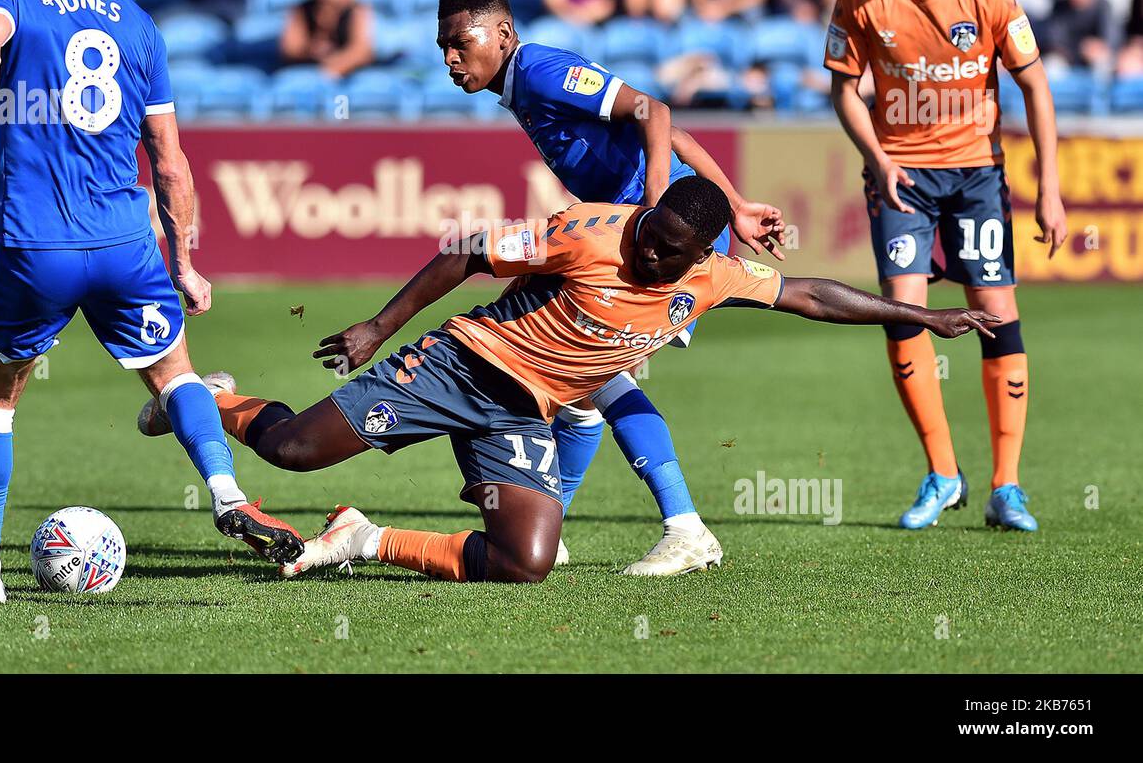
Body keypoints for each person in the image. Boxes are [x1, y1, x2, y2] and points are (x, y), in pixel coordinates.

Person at [182, 177, 998, 584]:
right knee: (291, 450)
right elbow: (468, 248)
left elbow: (812, 293)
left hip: (521, 413)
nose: (649, 253)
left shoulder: (712, 277)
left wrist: (926, 317)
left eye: (667, 250)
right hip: (458, 364)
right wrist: (376, 328)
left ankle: (363, 537)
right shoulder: (589, 232)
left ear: (699, 257)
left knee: (526, 561)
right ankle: (206, 395)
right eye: (649, 235)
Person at [0, 0, 301, 604]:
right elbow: (169, 158)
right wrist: (187, 264)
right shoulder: (134, 19)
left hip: (34, 242)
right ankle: (227, 494)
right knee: (176, 377)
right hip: (124, 242)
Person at [435, 0, 785, 575]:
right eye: (442, 46)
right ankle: (558, 529)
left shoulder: (541, 72)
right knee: (583, 395)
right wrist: (736, 202)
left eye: (459, 43)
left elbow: (656, 108)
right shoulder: (525, 86)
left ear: (503, 34)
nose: (449, 58)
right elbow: (671, 134)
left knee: (587, 371)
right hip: (643, 232)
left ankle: (685, 527)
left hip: (651, 244)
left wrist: (649, 207)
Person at [826, 0, 1067, 532]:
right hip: (901, 175)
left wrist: (1050, 187)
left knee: (995, 312)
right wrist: (878, 158)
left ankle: (1006, 487)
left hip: (976, 175)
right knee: (903, 313)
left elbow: (1036, 85)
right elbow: (844, 89)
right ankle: (942, 472)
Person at [279, 0, 373, 78]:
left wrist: (331, 68)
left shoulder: (357, 9)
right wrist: (310, 51)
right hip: (308, 69)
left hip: (347, 73)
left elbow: (361, 51)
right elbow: (291, 48)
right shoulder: (301, 9)